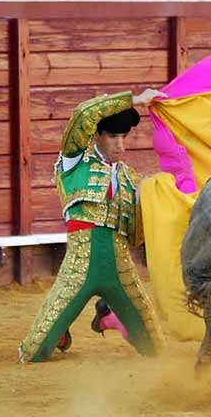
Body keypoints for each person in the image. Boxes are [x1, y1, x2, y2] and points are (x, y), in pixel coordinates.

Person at [18, 88, 167, 363]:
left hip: (121, 271)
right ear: (96, 135)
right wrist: (134, 100)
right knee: (34, 352)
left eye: (124, 137)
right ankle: (62, 328)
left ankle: (109, 316)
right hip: (79, 267)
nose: (120, 144)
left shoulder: (131, 179)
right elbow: (84, 113)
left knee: (156, 349)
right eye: (113, 135)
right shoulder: (75, 160)